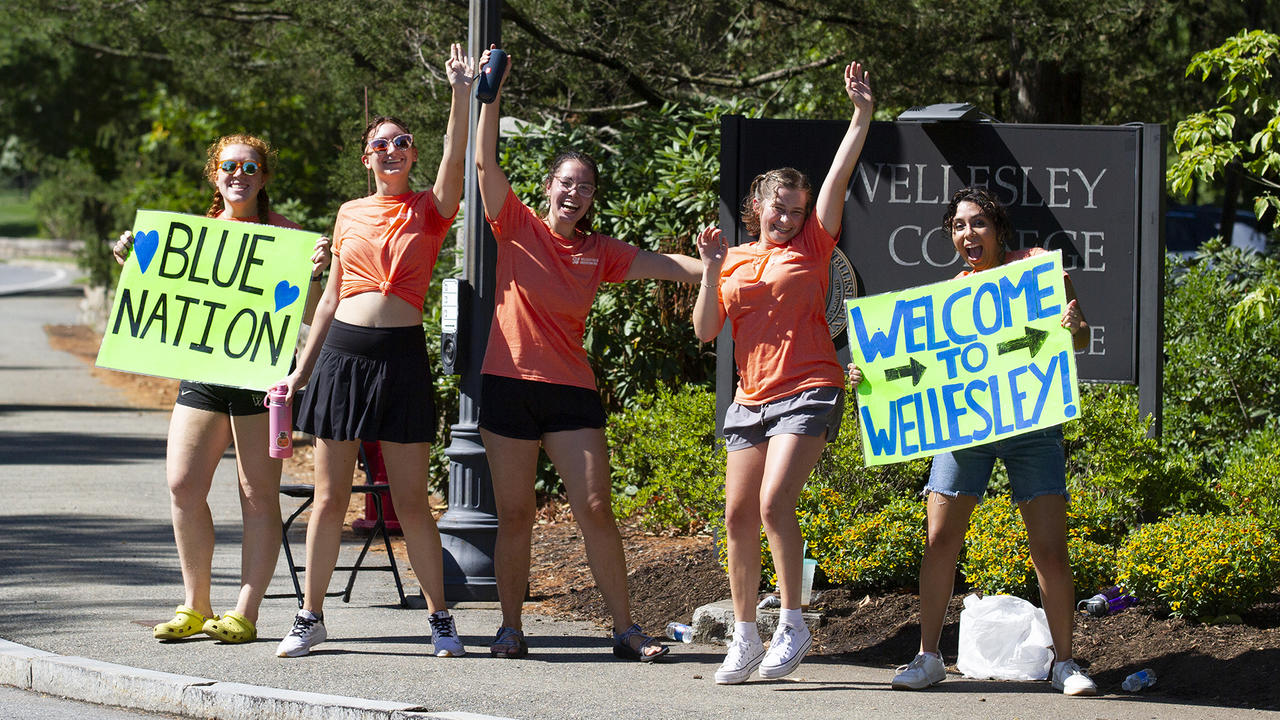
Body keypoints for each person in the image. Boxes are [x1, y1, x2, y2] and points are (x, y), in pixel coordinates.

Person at [474, 47, 703, 662]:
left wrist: (730, 271)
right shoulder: (516, 225)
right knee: (516, 514)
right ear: (549, 189)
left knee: (597, 508)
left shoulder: (599, 250)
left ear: (592, 198)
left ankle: (625, 630)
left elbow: (672, 266)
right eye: (566, 183)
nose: (574, 193)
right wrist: (489, 95)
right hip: (507, 382)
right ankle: (510, 628)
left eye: (586, 187)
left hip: (569, 389)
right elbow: (482, 161)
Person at [848, 186, 1096, 696]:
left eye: (977, 223)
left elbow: (1079, 339)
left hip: (1033, 428)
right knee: (940, 541)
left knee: (1049, 550)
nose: (968, 233)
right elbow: (922, 367)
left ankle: (1066, 664)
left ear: (998, 229)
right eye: (958, 226)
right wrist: (869, 373)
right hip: (966, 430)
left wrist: (1076, 326)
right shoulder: (952, 297)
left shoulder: (1038, 270)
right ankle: (928, 657)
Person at [273, 44, 473, 659]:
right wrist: (298, 375)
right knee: (329, 498)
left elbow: (456, 157)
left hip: (401, 358)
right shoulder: (349, 212)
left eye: (401, 141)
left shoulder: (430, 209)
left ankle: (440, 619)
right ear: (367, 160)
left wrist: (460, 94)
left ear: (412, 154)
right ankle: (310, 617)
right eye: (380, 144)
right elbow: (330, 298)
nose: (392, 150)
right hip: (341, 357)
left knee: (411, 499)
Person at [692, 61, 873, 684]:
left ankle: (792, 622)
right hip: (750, 400)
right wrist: (713, 267)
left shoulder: (816, 245)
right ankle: (745, 635)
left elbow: (838, 178)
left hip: (810, 388)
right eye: (779, 207)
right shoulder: (735, 257)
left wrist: (860, 117)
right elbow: (706, 331)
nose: (788, 218)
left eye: (796, 209)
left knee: (773, 503)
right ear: (757, 207)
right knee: (737, 516)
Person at [111, 134, 331, 646]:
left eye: (250, 166)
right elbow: (158, 292)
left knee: (257, 495)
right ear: (215, 174)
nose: (239, 174)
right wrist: (133, 259)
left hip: (259, 377)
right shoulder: (193, 237)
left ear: (264, 177)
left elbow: (309, 312)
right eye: (229, 165)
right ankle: (195, 603)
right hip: (204, 374)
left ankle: (244, 611)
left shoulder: (288, 237)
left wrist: (317, 274)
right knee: (183, 484)